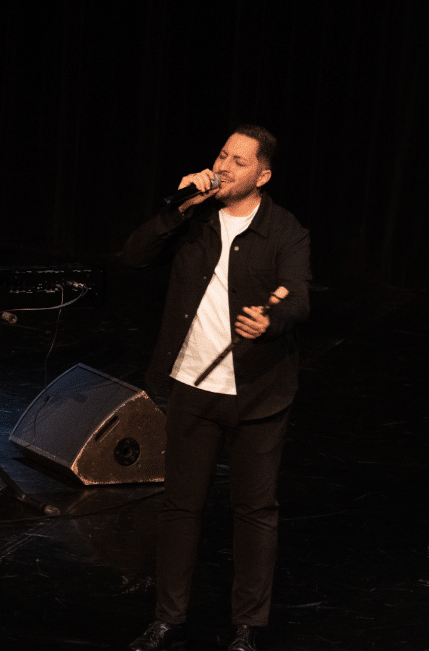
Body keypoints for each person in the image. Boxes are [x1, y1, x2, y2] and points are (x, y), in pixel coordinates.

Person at [123, 125, 311, 651]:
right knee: (181, 505)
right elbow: (134, 255)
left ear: (262, 175)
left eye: (238, 161)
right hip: (193, 384)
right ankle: (168, 616)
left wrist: (270, 324)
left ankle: (248, 626)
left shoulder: (285, 230)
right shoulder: (194, 218)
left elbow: (298, 299)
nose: (224, 166)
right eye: (221, 155)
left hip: (258, 392)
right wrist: (179, 205)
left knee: (254, 511)